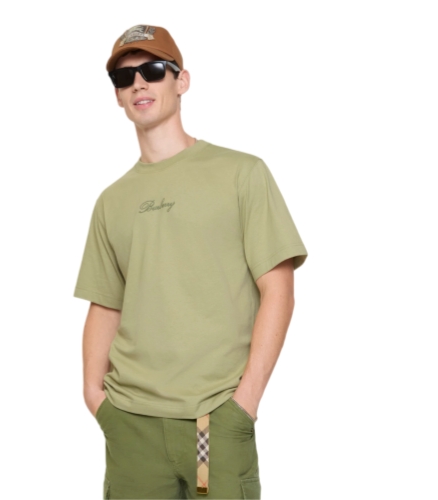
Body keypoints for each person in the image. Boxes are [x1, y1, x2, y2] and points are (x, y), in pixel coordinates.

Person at [73, 24, 308, 500]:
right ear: (117, 96)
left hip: (210, 421)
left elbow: (278, 289)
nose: (138, 83)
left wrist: (244, 403)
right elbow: (106, 304)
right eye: (124, 78)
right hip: (131, 424)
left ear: (181, 81)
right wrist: (95, 397)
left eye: (153, 70)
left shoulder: (241, 173)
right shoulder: (111, 201)